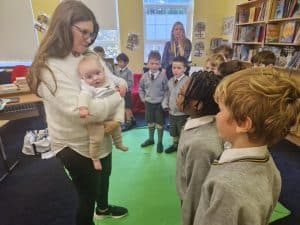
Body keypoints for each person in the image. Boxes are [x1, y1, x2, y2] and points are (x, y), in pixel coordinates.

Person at [26, 1, 128, 225]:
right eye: (84, 32)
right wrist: (116, 99)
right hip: (74, 144)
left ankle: (103, 209)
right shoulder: (48, 67)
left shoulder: (87, 53)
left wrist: (120, 85)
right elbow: (82, 112)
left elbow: (111, 78)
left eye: (91, 34)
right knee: (87, 193)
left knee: (104, 176)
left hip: (102, 134)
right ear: (64, 26)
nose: (89, 39)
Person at [193, 68, 300, 225]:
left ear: (243, 123)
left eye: (221, 110)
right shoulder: (269, 164)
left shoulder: (226, 188)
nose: (217, 115)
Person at [176, 71, 223, 225]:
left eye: (182, 94)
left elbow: (196, 195)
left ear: (198, 105)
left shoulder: (200, 146)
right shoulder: (195, 120)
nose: (178, 97)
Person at [78, 54, 128, 170]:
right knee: (96, 139)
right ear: (83, 79)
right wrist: (83, 108)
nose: (95, 78)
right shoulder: (88, 88)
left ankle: (119, 144)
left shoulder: (108, 80)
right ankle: (95, 158)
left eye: (97, 73)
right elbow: (83, 96)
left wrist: (121, 86)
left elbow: (120, 82)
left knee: (117, 129)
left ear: (103, 71)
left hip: (111, 114)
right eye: (89, 77)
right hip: (97, 120)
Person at [139, 51, 168, 153]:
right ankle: (151, 139)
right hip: (149, 104)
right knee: (150, 122)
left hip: (159, 104)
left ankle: (160, 142)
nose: (154, 66)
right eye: (152, 63)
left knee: (160, 124)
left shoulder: (163, 76)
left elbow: (166, 90)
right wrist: (143, 98)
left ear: (160, 64)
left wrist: (164, 102)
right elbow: (141, 88)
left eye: (156, 64)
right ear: (147, 64)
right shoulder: (144, 76)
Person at [162, 56, 189, 153]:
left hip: (182, 113)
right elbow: (167, 94)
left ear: (185, 69)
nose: (176, 70)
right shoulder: (170, 81)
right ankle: (175, 144)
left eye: (179, 68)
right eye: (174, 68)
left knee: (182, 130)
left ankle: (182, 147)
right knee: (173, 130)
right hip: (172, 112)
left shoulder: (188, 81)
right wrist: (165, 104)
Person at [115, 53, 136, 131]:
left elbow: (131, 83)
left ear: (126, 62)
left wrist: (123, 87)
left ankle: (128, 122)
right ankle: (133, 119)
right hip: (120, 93)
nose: (119, 63)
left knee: (127, 107)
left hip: (127, 93)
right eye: (118, 62)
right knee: (123, 107)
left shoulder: (129, 72)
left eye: (121, 62)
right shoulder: (116, 71)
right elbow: (115, 80)